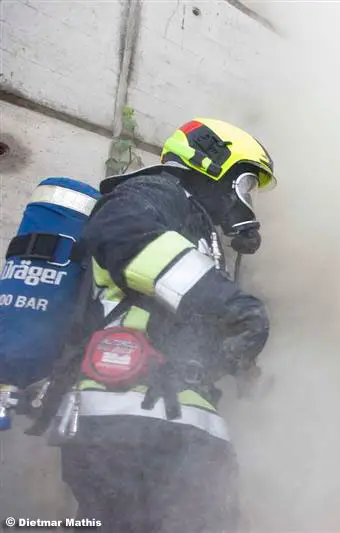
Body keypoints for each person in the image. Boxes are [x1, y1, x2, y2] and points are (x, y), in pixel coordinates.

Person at [52, 118, 275, 532]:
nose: (243, 198)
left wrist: (234, 357)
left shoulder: (193, 223)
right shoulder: (154, 192)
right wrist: (230, 305)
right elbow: (121, 232)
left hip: (174, 428)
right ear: (211, 160)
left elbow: (179, 318)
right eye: (244, 183)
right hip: (130, 424)